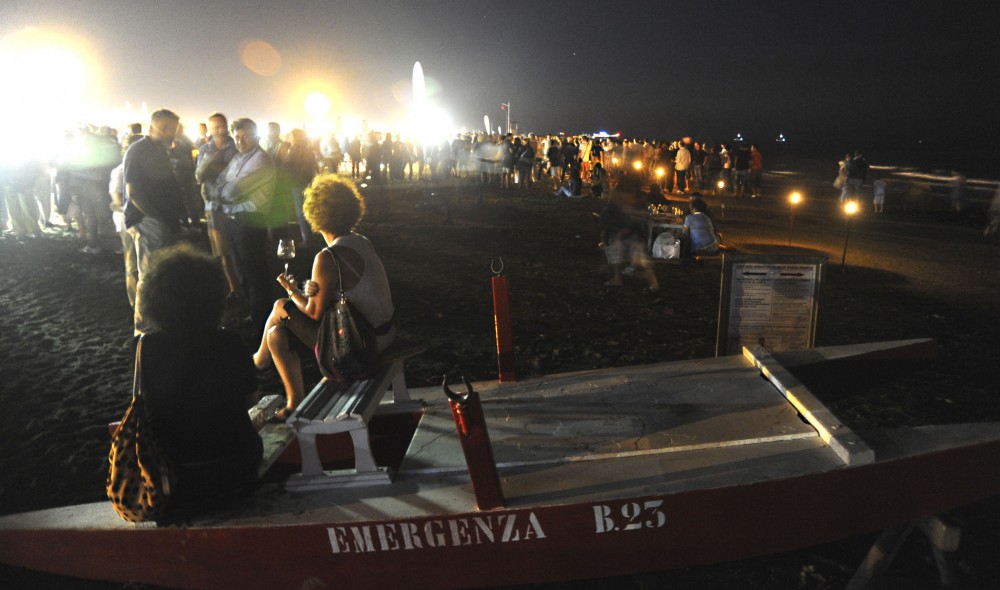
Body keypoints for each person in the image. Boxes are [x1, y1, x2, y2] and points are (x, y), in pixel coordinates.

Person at [253, 174, 395, 419]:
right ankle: (292, 403)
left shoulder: (327, 257)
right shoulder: (360, 241)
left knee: (280, 306)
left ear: (315, 215)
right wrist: (307, 290)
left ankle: (257, 362)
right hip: (386, 332)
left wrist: (292, 291)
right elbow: (347, 289)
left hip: (362, 344)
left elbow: (314, 312)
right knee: (276, 334)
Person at [135, 243, 262, 516]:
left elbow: (145, 407)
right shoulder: (231, 342)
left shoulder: (145, 349)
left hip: (176, 471)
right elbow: (251, 401)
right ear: (212, 297)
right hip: (236, 462)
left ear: (155, 300)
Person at [123, 108, 187, 333]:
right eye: (165, 128)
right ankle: (144, 329)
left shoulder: (159, 151)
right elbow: (133, 191)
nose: (170, 133)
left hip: (162, 221)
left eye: (173, 129)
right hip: (148, 221)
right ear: (151, 128)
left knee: (159, 274)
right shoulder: (138, 149)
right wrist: (156, 218)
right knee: (148, 276)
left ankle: (157, 323)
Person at [216, 118, 277, 338]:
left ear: (255, 136)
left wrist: (223, 189)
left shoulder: (260, 160)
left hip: (250, 222)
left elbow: (229, 191)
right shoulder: (240, 158)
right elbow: (223, 184)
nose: (240, 141)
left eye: (245, 136)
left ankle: (264, 320)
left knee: (255, 274)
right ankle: (256, 313)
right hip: (236, 221)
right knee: (244, 272)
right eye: (237, 136)